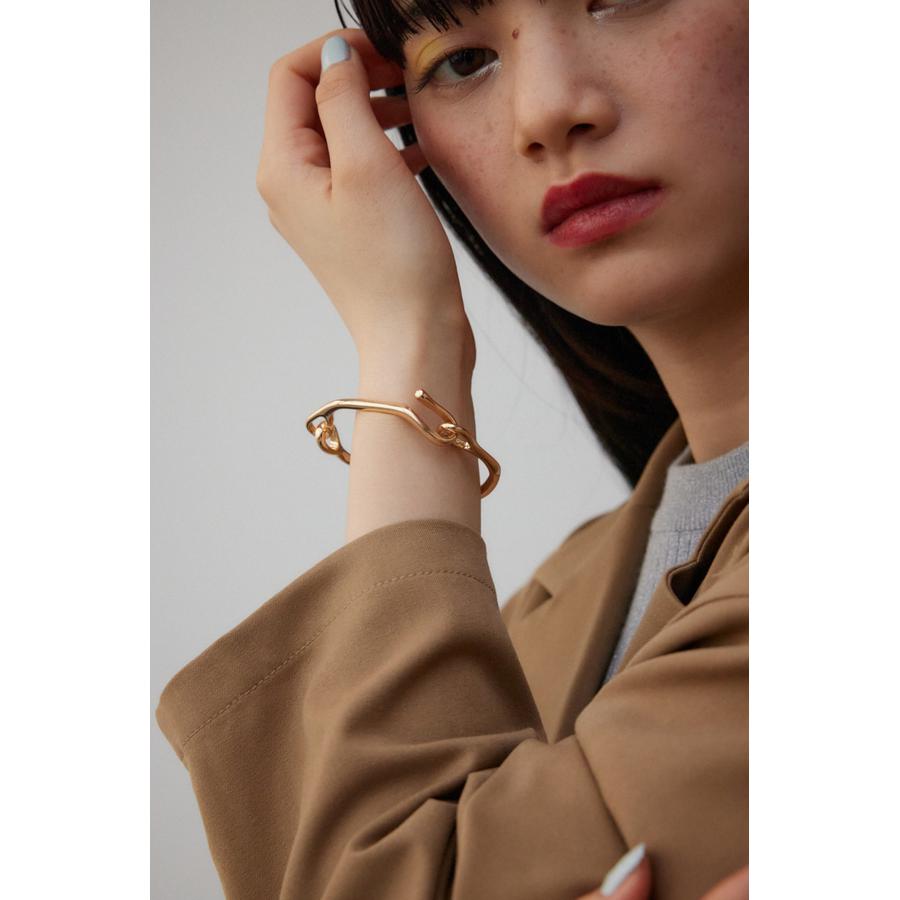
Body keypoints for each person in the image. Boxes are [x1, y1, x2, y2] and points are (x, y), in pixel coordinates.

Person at [156, 1, 749, 897]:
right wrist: (411, 328)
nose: (547, 111)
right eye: (463, 62)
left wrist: (408, 344)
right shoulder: (562, 601)